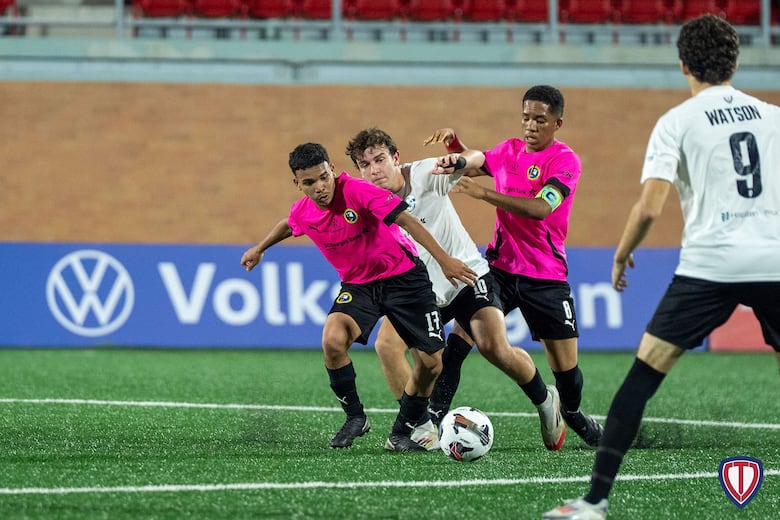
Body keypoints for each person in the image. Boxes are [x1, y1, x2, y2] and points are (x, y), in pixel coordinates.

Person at [542, 15, 780, 519]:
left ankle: (595, 501)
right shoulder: (773, 116)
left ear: (682, 64)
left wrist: (623, 252)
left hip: (710, 267)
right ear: (735, 63)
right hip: (774, 259)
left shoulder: (678, 121)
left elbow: (650, 206)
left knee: (643, 377)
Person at [241, 142, 478, 452]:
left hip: (404, 277)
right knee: (332, 340)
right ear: (297, 184)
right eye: (309, 183)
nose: (320, 188)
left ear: (333, 171)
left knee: (433, 364)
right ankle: (355, 417)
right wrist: (261, 247)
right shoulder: (304, 209)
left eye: (323, 177)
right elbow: (290, 224)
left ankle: (401, 433)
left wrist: (444, 260)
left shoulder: (359, 191)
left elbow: (405, 220)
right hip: (360, 285)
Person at [345, 127, 566, 451]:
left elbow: (475, 160)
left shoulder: (425, 173)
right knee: (386, 345)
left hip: (466, 275)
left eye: (380, 159)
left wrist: (461, 158)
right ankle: (421, 426)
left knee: (494, 348)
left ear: (396, 158)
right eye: (365, 165)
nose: (374, 169)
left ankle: (546, 401)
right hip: (422, 291)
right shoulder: (367, 202)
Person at [431, 85, 603, 448]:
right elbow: (477, 161)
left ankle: (569, 411)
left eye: (540, 120)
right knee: (462, 339)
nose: (530, 126)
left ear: (557, 122)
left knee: (566, 372)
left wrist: (484, 194)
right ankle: (434, 421)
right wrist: (455, 153)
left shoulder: (565, 162)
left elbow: (541, 208)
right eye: (526, 117)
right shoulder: (508, 150)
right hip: (500, 269)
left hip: (546, 276)